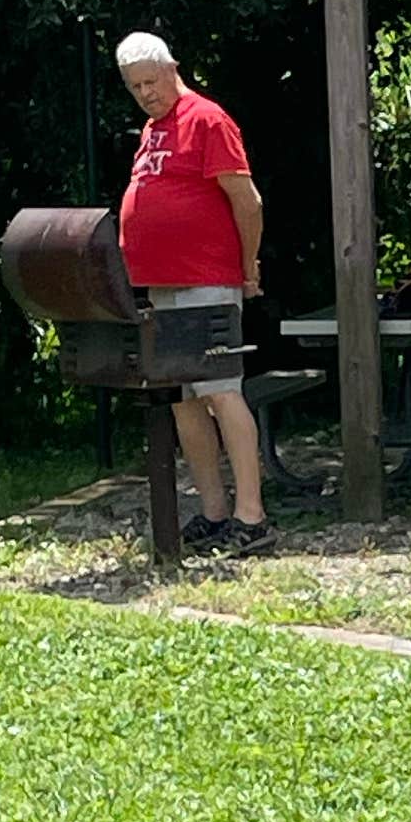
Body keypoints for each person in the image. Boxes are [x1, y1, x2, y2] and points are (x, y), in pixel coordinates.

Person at [114, 32, 270, 556]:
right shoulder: (152, 129)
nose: (146, 94)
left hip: (207, 277)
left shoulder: (207, 119)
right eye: (135, 87)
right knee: (183, 399)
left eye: (151, 82)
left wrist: (247, 265)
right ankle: (213, 510)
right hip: (163, 285)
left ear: (172, 69)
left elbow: (245, 199)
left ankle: (252, 515)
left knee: (221, 391)